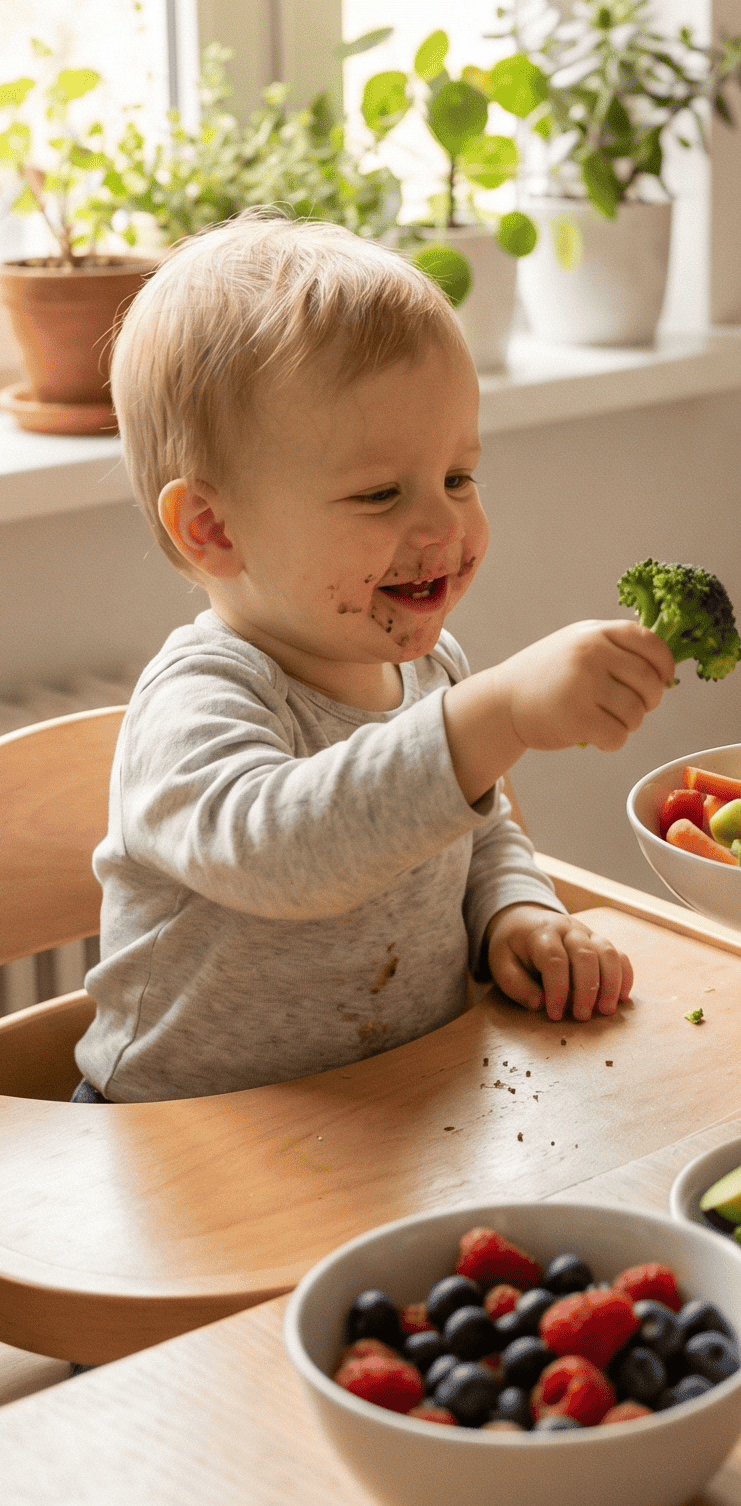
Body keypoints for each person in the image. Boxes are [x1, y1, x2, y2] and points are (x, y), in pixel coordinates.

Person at [74, 213, 673, 1102]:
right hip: (180, 1138)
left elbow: (478, 832)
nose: (443, 526)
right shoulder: (197, 699)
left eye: (458, 478)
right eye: (381, 493)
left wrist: (515, 911)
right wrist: (494, 714)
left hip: (390, 1110)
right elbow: (282, 853)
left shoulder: (432, 672)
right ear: (213, 528)